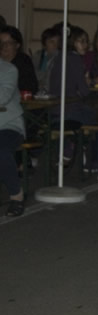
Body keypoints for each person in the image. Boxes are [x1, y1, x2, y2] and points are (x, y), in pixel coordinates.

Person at [48, 27, 98, 180]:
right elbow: (84, 90)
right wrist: (88, 81)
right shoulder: (76, 60)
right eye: (82, 41)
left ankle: (91, 158)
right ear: (73, 42)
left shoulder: (61, 58)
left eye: (86, 42)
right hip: (72, 109)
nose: (86, 46)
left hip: (59, 109)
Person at [0, 58, 26, 216]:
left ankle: (16, 196)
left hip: (8, 125)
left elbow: (3, 96)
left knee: (1, 151)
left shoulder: (8, 70)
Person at [0, 25, 38, 95]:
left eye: (8, 43)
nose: (4, 46)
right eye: (1, 42)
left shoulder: (23, 62)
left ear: (17, 45)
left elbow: (30, 88)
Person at [32, 26, 62, 94]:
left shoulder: (60, 57)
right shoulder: (38, 56)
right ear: (44, 44)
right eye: (52, 42)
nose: (55, 45)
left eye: (58, 42)